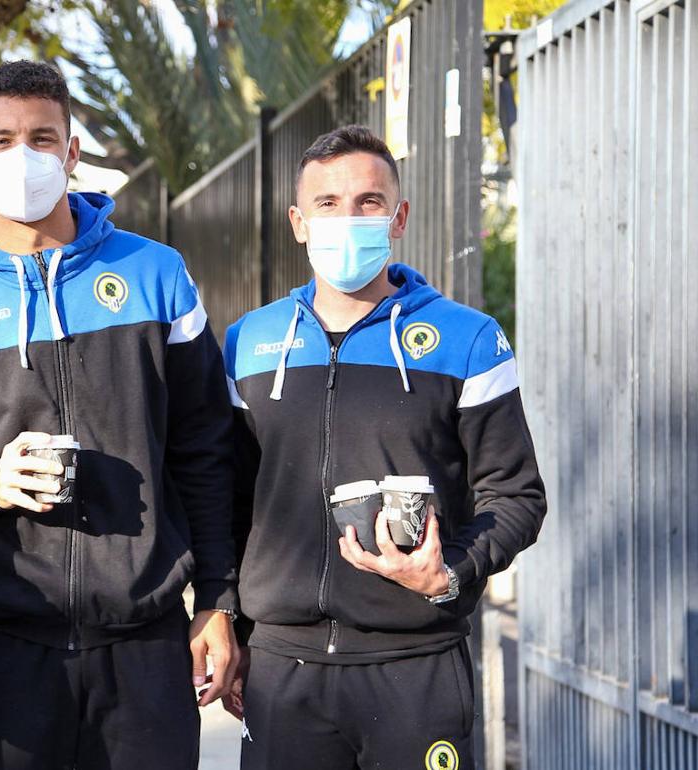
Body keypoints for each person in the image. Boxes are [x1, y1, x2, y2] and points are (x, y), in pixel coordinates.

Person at [0, 60, 239, 770]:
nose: (24, 156)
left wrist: (218, 599)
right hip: (0, 649)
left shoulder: (156, 274)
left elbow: (206, 446)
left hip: (145, 641)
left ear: (73, 153)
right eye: (2, 140)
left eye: (43, 138)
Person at [222, 125, 546, 770]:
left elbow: (516, 495)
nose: (348, 219)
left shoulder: (467, 340)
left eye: (368, 202)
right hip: (282, 670)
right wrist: (225, 617)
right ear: (297, 222)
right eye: (327, 203)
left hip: (417, 668)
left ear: (397, 216)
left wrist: (450, 569)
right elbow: (224, 498)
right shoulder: (247, 343)